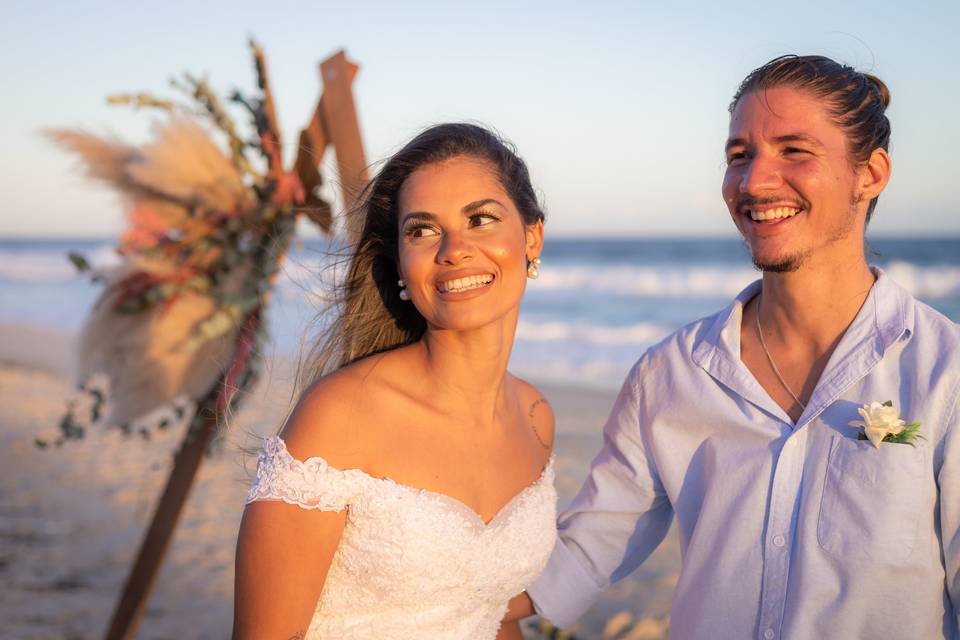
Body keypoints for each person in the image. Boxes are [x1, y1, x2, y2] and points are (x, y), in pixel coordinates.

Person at [509, 55, 959, 638]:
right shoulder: (669, 374)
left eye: (794, 150)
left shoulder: (944, 370)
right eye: (739, 156)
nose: (755, 182)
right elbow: (593, 545)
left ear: (869, 174)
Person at [233, 123, 555, 640]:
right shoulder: (341, 417)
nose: (454, 249)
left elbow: (486, 613)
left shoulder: (536, 417)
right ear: (401, 265)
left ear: (531, 237)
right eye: (423, 230)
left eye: (481, 219)